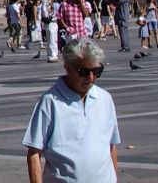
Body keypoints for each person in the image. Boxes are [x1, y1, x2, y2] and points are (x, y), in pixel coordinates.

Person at [22, 39, 120, 183]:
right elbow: (34, 154)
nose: (91, 78)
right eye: (84, 72)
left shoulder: (105, 99)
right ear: (68, 68)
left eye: (96, 71)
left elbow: (111, 147)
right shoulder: (50, 102)